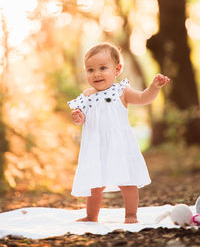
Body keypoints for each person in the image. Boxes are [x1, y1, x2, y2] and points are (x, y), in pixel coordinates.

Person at [67, 42, 170, 224]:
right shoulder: (87, 95)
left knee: (127, 180)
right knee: (95, 184)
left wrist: (154, 88)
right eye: (90, 70)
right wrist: (78, 117)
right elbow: (81, 117)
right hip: (95, 147)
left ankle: (131, 215)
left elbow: (143, 98)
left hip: (120, 145)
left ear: (117, 69)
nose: (96, 74)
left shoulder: (121, 91)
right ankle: (92, 216)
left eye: (103, 68)